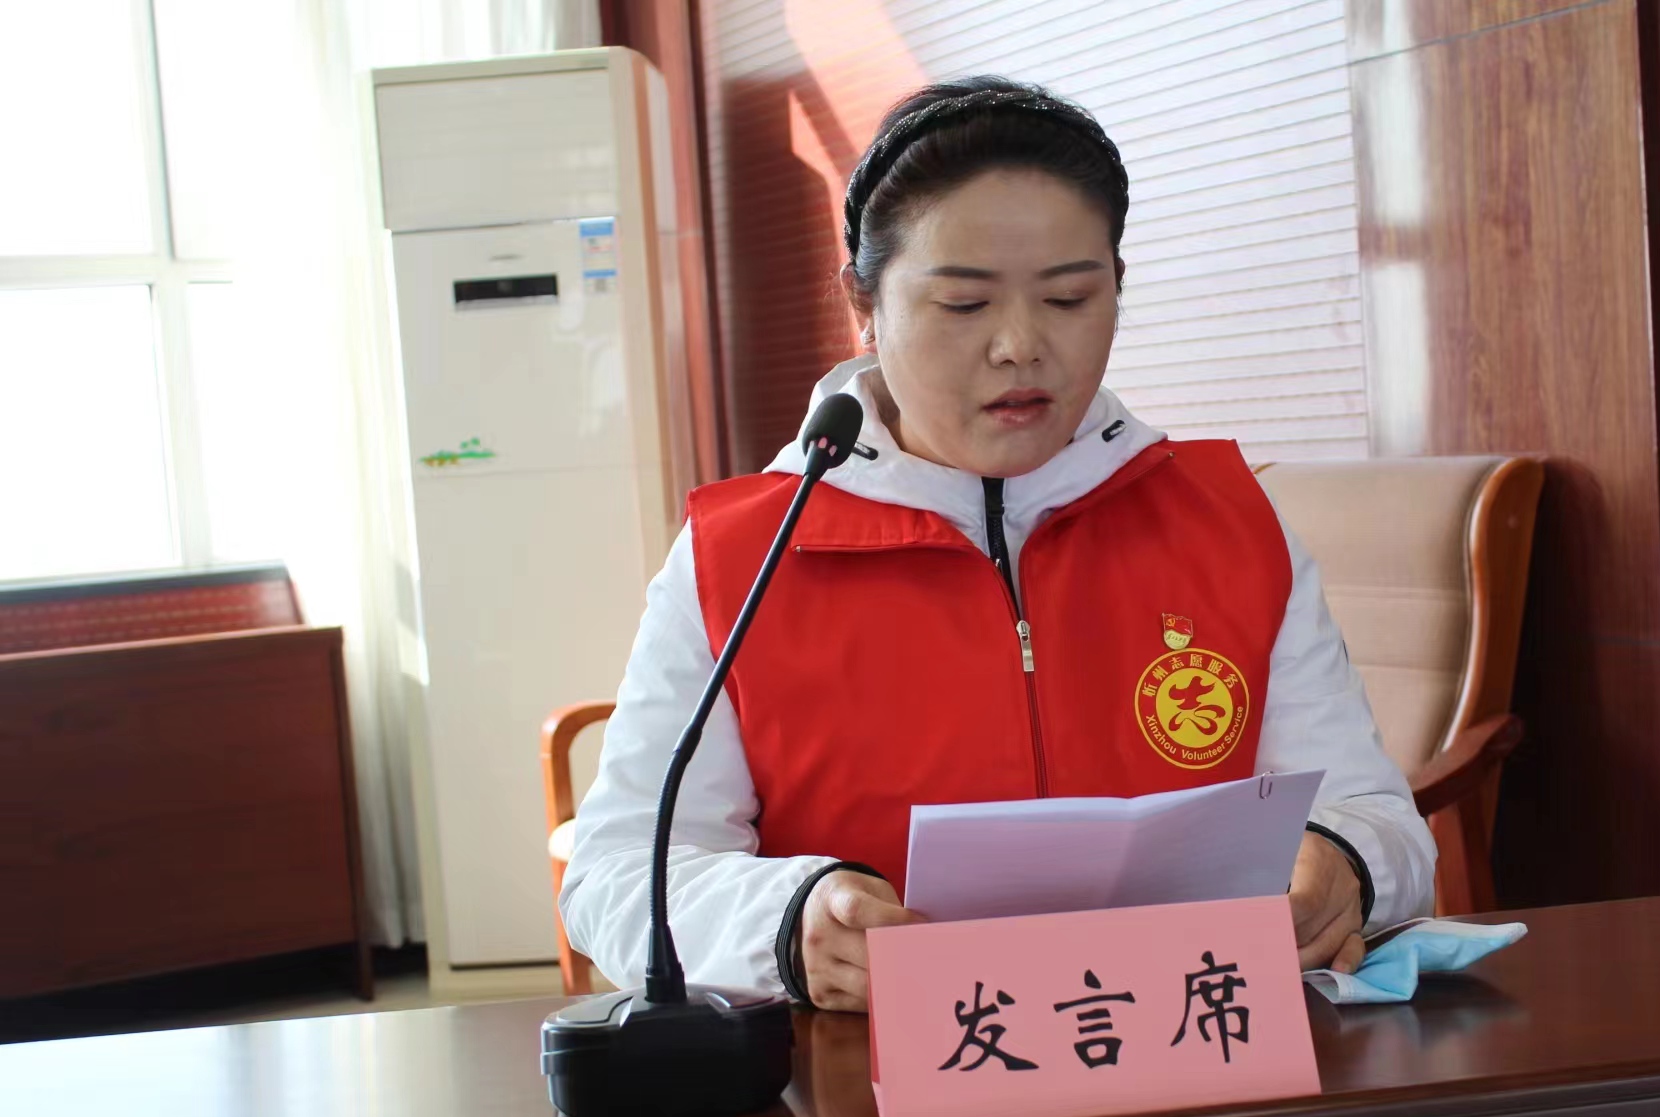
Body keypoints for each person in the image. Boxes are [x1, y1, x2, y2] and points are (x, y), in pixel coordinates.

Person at [561, 77, 1436, 1012]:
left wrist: (1346, 863)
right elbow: (616, 874)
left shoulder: (1228, 522)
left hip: (1195, 1052)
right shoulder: (743, 555)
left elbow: (1379, 819)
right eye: (964, 305)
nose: (1021, 345)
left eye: (1068, 297)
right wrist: (784, 924)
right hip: (865, 1074)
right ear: (863, 302)